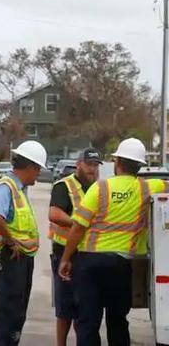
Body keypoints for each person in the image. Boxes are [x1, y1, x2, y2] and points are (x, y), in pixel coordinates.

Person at [59, 138, 169, 346]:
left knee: (88, 322)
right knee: (117, 321)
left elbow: (78, 227)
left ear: (117, 162)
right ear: (139, 166)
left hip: (89, 265)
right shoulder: (148, 188)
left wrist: (66, 259)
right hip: (120, 266)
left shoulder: (99, 189)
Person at [0, 140, 47, 346]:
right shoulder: (7, 187)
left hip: (21, 259)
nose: (39, 174)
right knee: (9, 314)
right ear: (29, 167)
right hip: (9, 259)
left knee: (17, 313)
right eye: (38, 169)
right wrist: (11, 241)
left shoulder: (19, 188)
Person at [48, 148, 102, 346]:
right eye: (89, 165)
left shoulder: (98, 187)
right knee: (65, 308)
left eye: (96, 165)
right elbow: (53, 213)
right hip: (66, 254)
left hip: (90, 254)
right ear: (78, 164)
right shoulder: (64, 186)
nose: (92, 169)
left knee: (87, 307)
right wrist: (77, 223)